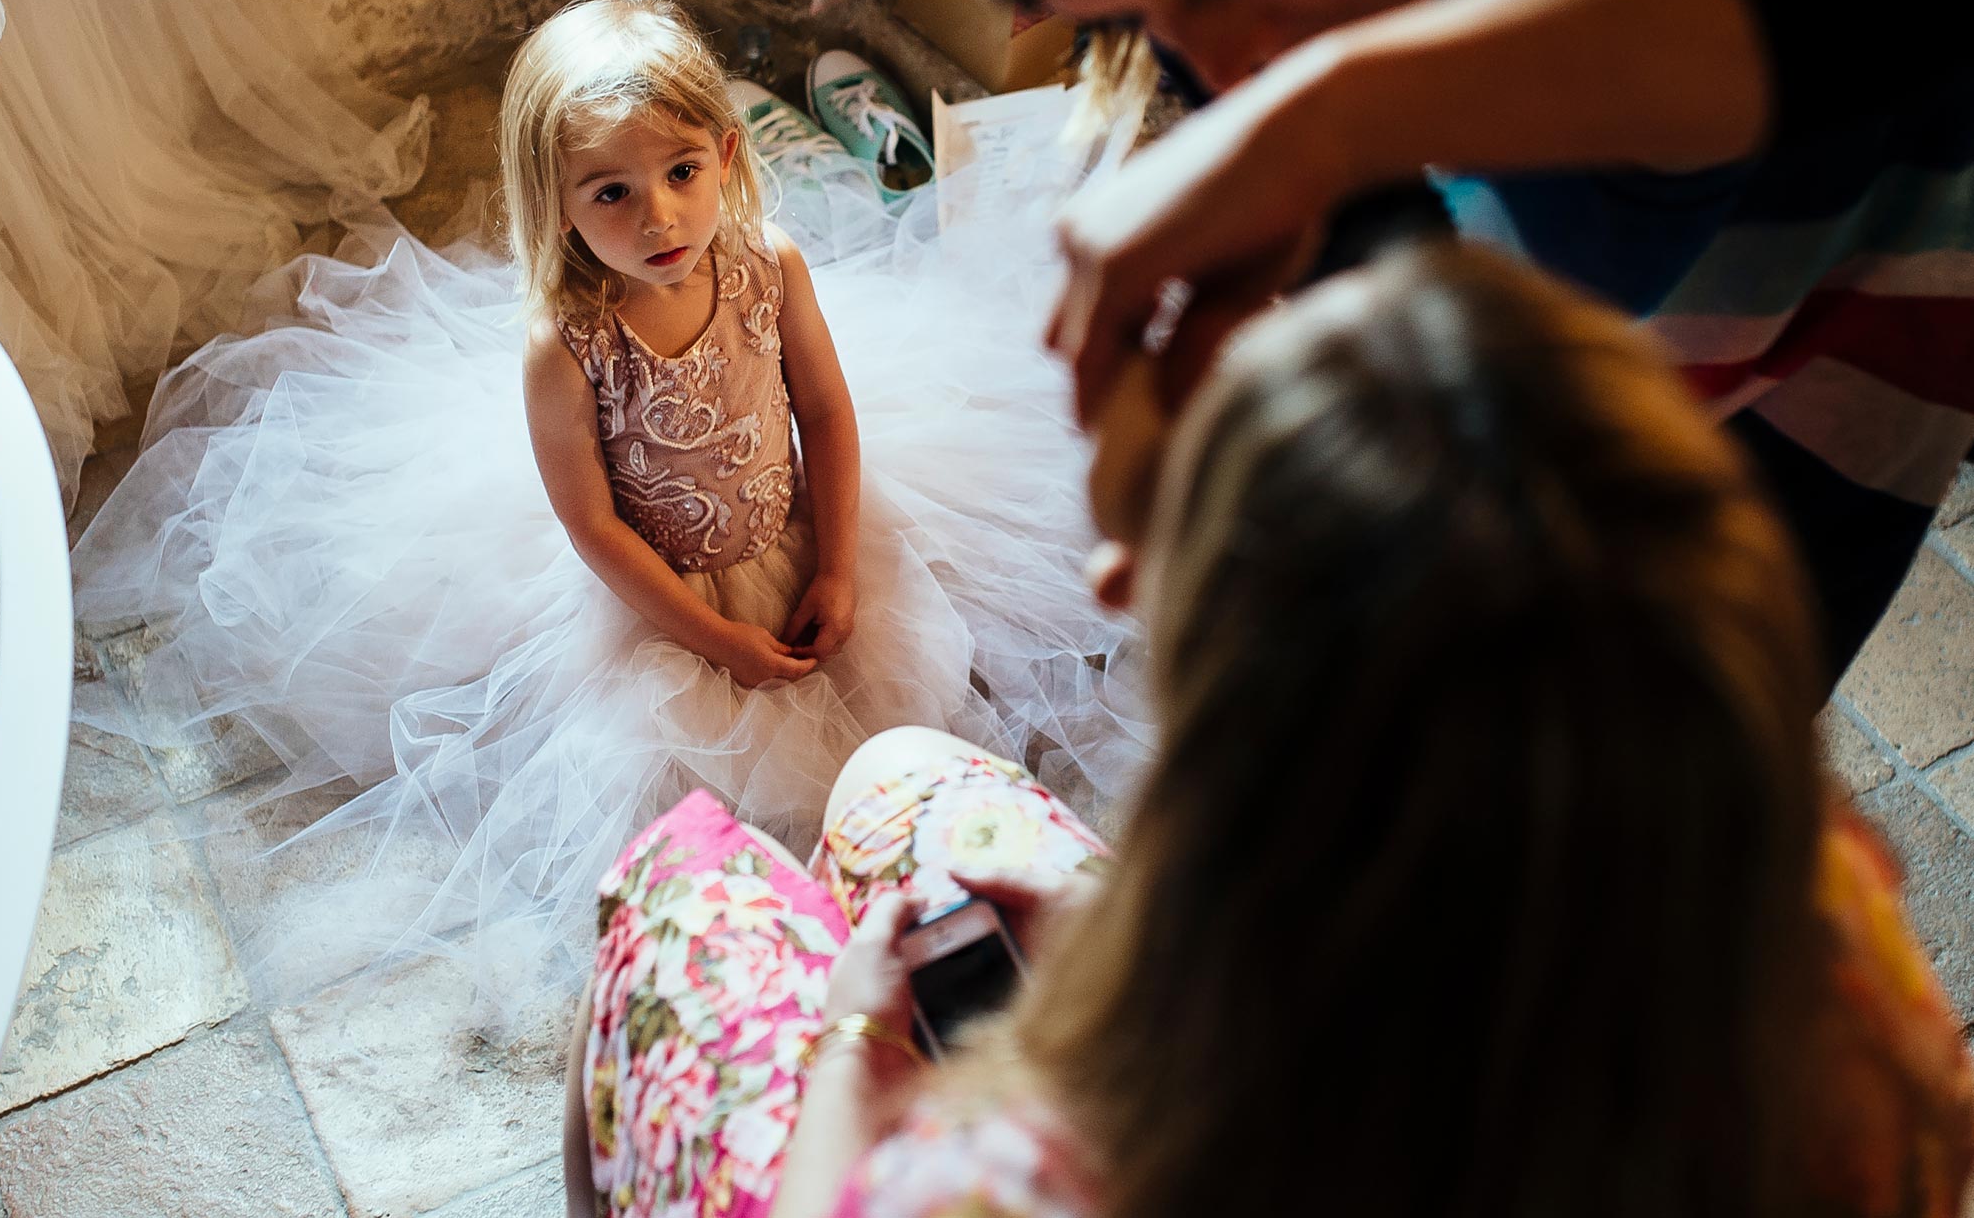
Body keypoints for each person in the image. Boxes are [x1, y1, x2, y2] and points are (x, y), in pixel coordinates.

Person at [573, 241, 1974, 1218]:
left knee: (683, 896)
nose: (1114, 577)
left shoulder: (1018, 1172)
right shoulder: (1830, 953)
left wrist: (856, 1050)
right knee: (900, 774)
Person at [873, 0, 1974, 688]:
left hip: (1835, 320)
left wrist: (1331, 120)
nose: (1220, 68)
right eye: (1139, 13)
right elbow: (1387, 238)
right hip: (1581, 324)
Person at [72, 0, 1136, 1014]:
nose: (660, 216)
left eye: (681, 170)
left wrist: (841, 564)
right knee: (698, 790)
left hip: (794, 525)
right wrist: (714, 636)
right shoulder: (567, 345)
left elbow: (825, 409)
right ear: (557, 203)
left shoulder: (769, 265)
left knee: (903, 697)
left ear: (726, 154)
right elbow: (591, 525)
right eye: (610, 192)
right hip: (661, 587)